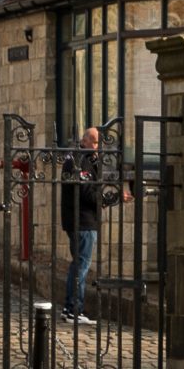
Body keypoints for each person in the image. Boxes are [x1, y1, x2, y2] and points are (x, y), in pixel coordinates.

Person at [57, 126, 116, 325]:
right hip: (82, 222)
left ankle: (69, 308)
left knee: (77, 265)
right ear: (86, 141)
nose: (98, 148)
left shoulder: (82, 159)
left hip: (78, 220)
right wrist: (109, 199)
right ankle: (75, 309)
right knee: (81, 266)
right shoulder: (78, 160)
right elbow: (87, 192)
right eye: (96, 143)